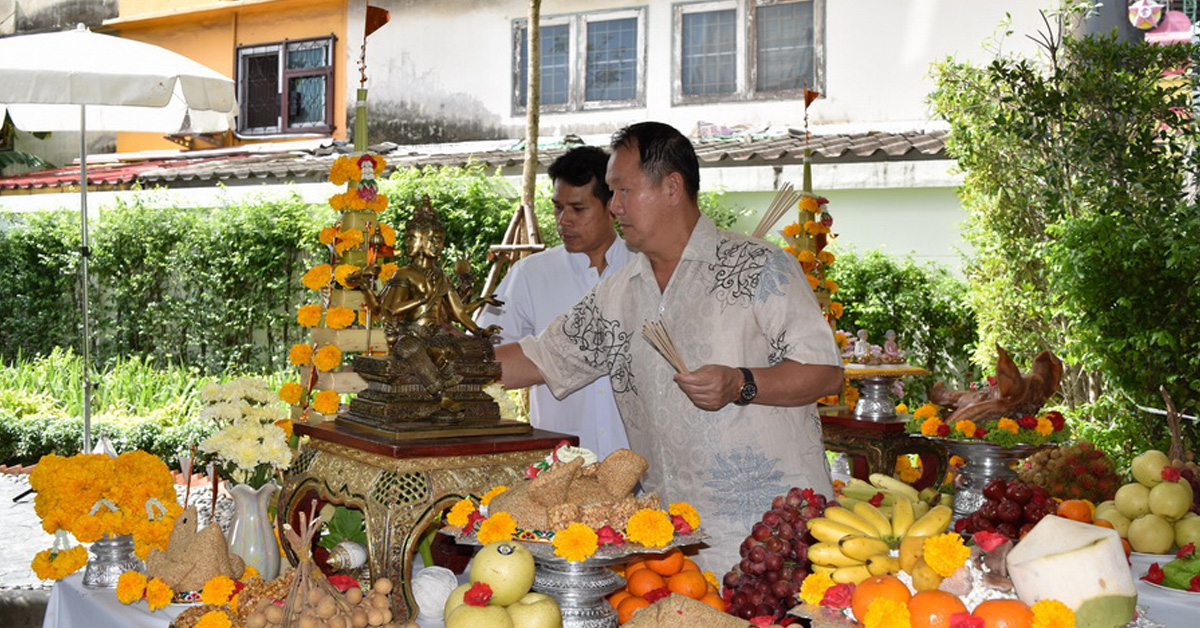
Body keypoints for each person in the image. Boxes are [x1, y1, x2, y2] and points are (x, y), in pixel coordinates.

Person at [495, 122, 843, 572]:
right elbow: (538, 357)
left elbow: (825, 371)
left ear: (672, 187)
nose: (614, 206)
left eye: (622, 191)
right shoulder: (619, 292)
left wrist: (741, 382)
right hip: (672, 538)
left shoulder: (757, 265)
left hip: (772, 533)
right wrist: (441, 363)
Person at [477, 146, 633, 459]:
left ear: (611, 207)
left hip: (639, 464)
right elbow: (482, 351)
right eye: (558, 208)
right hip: (560, 465)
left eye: (578, 209)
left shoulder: (643, 268)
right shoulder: (530, 275)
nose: (564, 221)